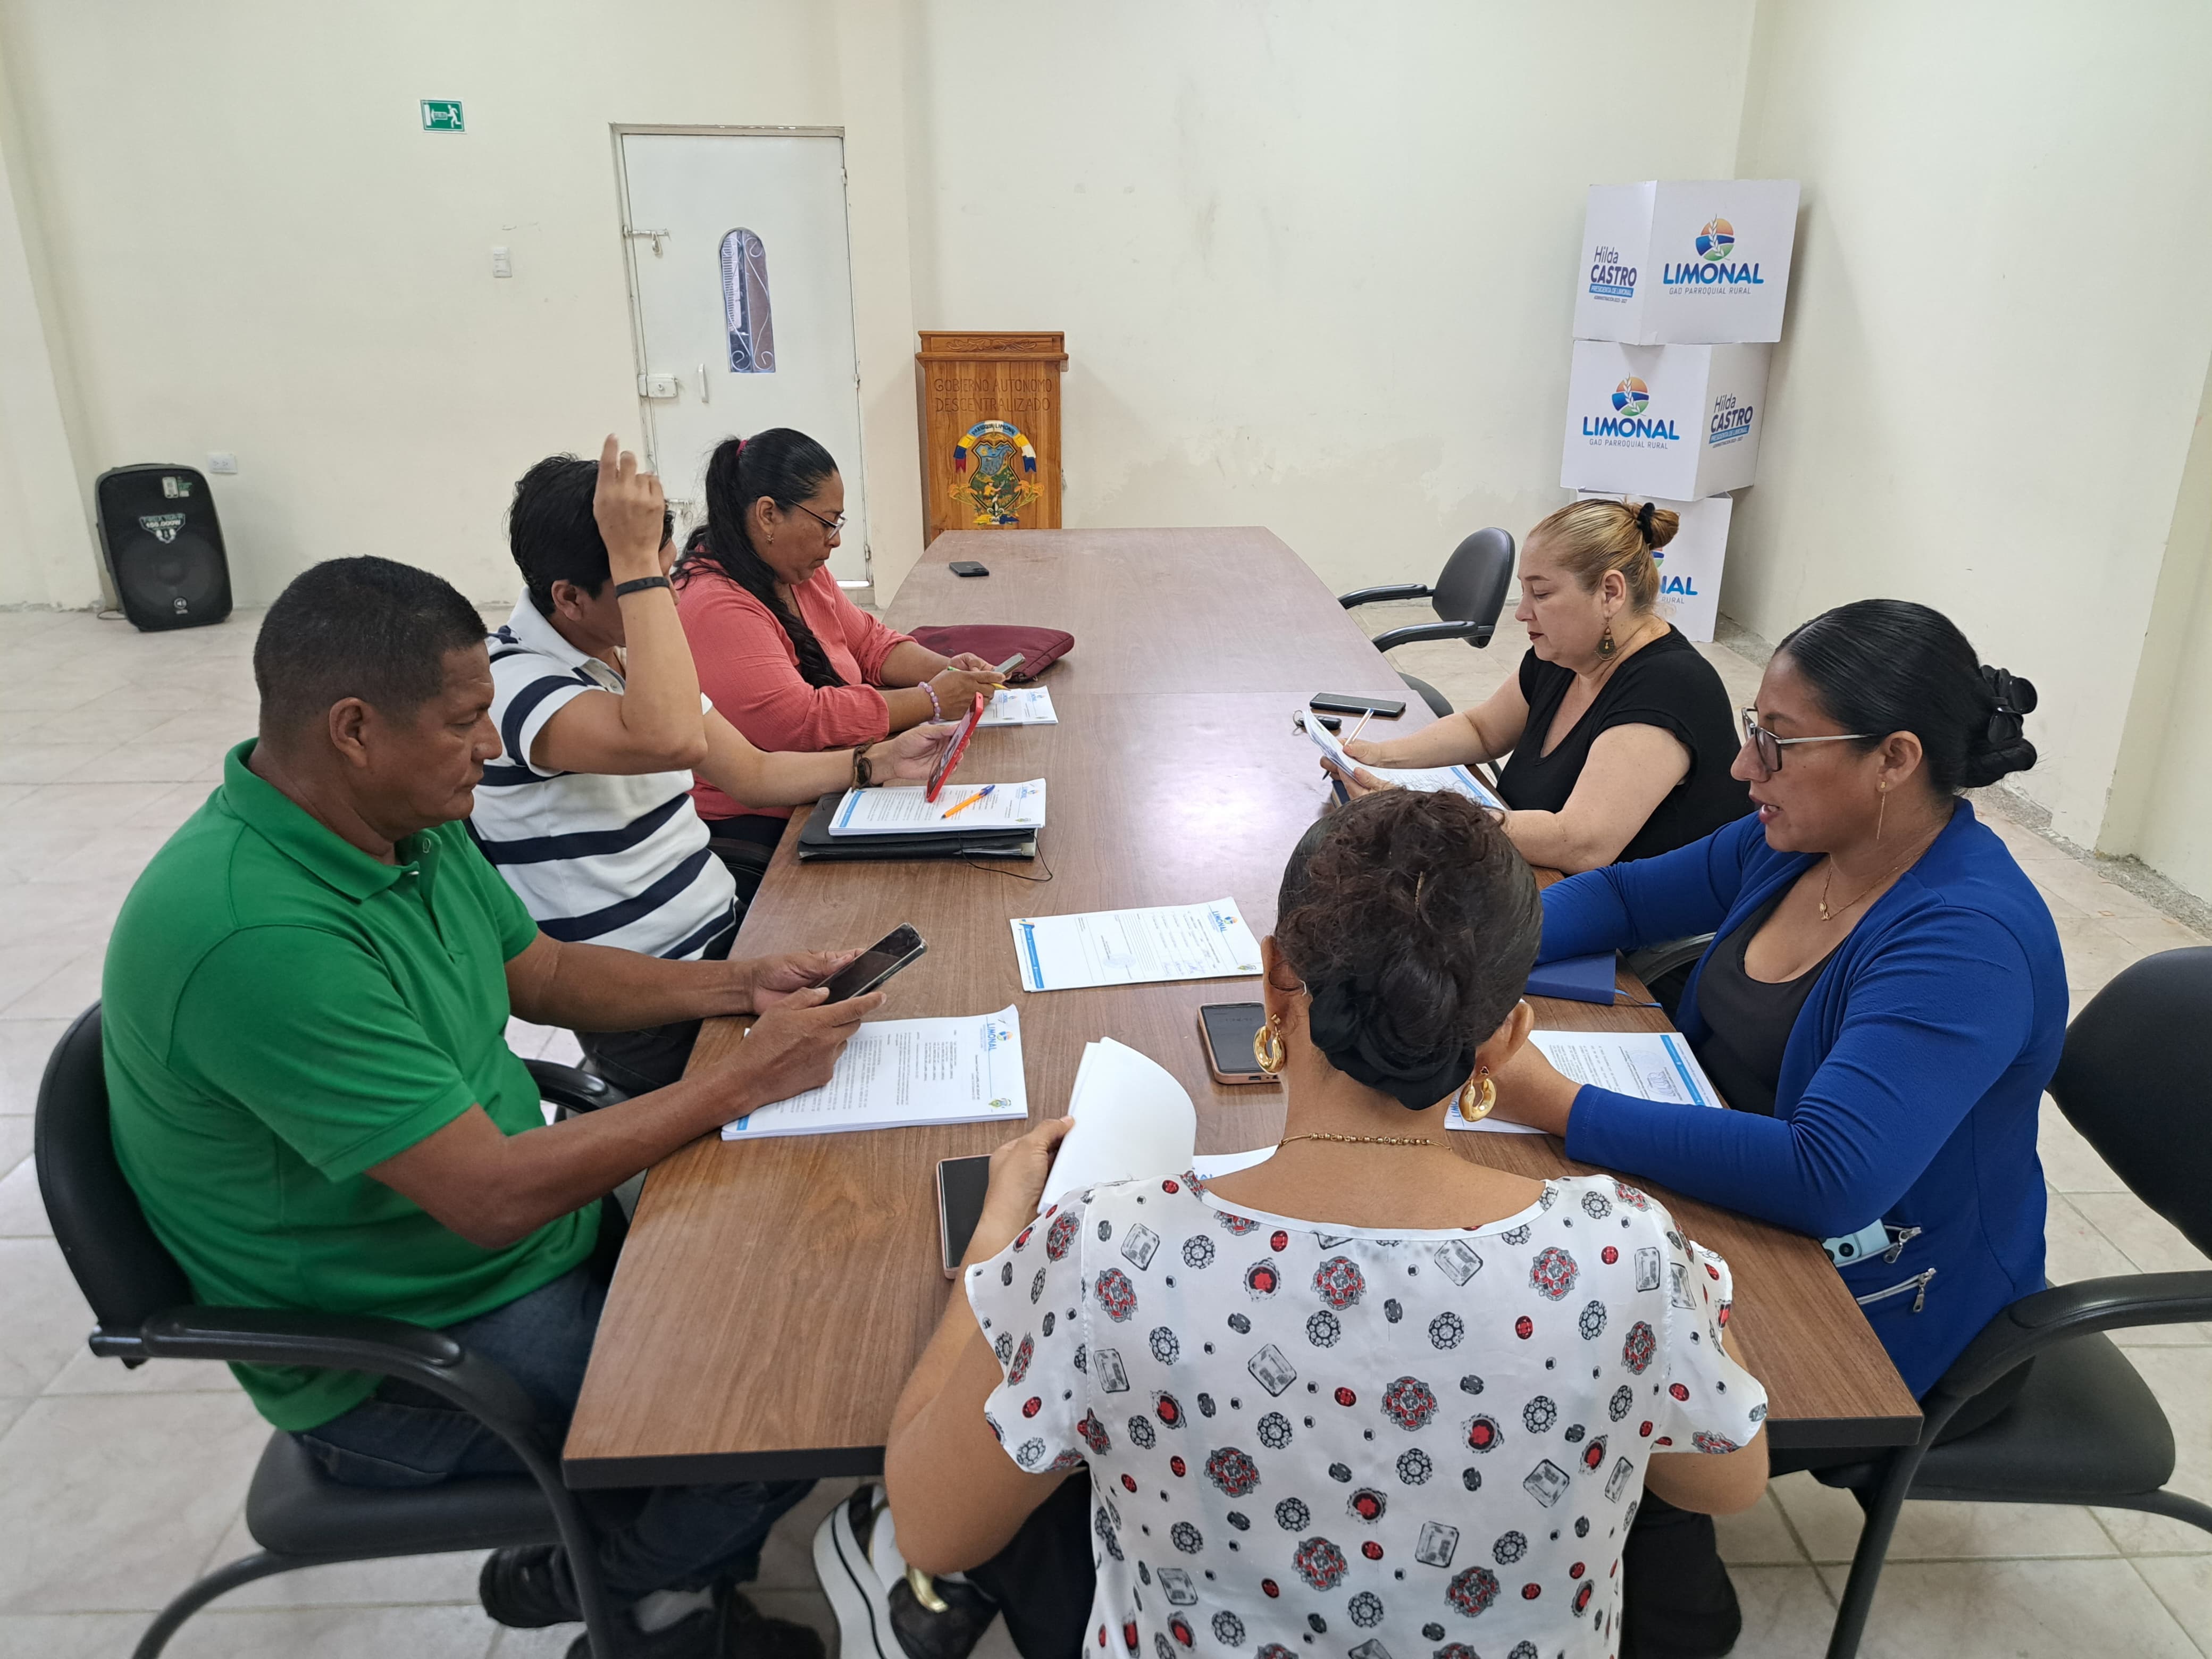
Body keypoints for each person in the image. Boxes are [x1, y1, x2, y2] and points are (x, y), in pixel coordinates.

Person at [102, 554, 890, 1659]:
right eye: (464, 721)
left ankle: (622, 1566)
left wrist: (743, 984)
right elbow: (487, 1197)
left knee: (800, 1283)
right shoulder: (258, 937)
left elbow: (548, 973)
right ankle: (618, 1594)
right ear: (353, 728)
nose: (491, 744)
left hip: (504, 1245)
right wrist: (745, 1079)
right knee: (782, 1407)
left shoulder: (398, 828)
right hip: (400, 1347)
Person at [882, 790, 1770, 1659]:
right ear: (1507, 1038)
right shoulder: (1628, 1253)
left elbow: (929, 1526)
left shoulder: (1101, 1255)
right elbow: (1729, 1478)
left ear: (1275, 981)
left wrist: (998, 1245)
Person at [1488, 598, 2062, 1658]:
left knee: (1581, 1387)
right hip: (1744, 1201)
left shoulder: (1964, 938)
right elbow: (1622, 899)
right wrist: (1465, 958)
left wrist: (1556, 1102)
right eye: (1757, 729)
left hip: (1881, 1297)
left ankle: (1677, 1622)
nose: (1744, 768)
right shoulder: (1802, 840)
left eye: (1779, 743)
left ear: (1894, 759)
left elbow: (1828, 1174)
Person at [474, 439, 952, 1093]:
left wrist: (875, 762)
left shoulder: (623, 655)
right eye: (647, 586)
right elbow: (671, 739)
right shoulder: (512, 685)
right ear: (570, 598)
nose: (668, 603)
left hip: (725, 944)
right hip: (643, 1005)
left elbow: (751, 772)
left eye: (665, 575)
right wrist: (634, 559)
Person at [1332, 498, 1748, 872]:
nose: (1522, 613)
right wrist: (1378, 758)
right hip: (1534, 875)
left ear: (1610, 592)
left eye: (1542, 594)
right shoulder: (1568, 654)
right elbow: (1483, 730)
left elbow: (1581, 844)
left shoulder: (1669, 686)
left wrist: (1422, 816)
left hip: (1633, 920)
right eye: (1524, 593)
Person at [674, 429, 1011, 849]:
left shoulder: (795, 570)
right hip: (765, 823)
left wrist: (949, 672)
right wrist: (932, 700)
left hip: (833, 781)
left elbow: (870, 643)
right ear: (768, 515)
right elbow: (801, 722)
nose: (835, 540)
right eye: (826, 523)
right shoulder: (715, 604)